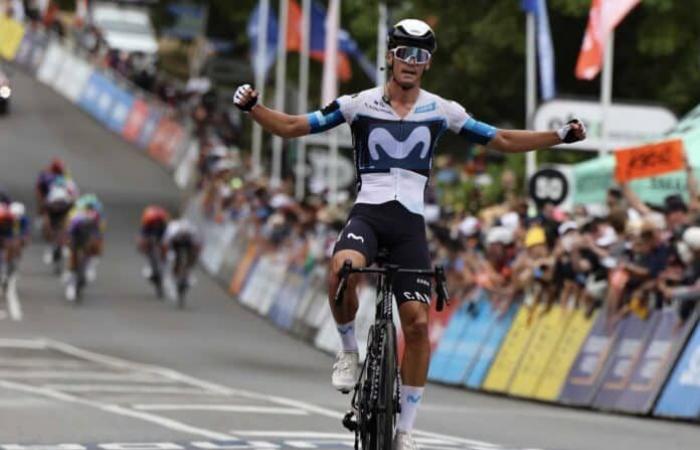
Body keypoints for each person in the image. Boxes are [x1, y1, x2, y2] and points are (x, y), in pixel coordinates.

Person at [233, 18, 586, 447]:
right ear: (390, 57)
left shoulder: (442, 110)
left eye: (420, 56)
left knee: (417, 325)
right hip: (369, 215)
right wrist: (253, 108)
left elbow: (504, 139)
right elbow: (291, 127)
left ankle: (405, 431)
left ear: (427, 64)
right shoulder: (358, 103)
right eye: (403, 52)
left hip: (409, 226)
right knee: (341, 269)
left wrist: (559, 136)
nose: (410, 62)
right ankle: (347, 350)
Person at [64, 208, 100, 301]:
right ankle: (71, 280)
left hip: (86, 240)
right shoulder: (76, 222)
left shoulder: (93, 223)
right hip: (76, 238)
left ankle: (87, 266)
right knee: (74, 256)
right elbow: (70, 235)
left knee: (90, 249)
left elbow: (96, 236)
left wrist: (92, 248)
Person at [138, 205, 171, 288]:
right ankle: (151, 263)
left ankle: (163, 262)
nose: (156, 223)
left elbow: (168, 236)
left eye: (158, 221)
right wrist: (143, 245)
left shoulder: (164, 224)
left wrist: (165, 247)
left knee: (164, 246)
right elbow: (142, 236)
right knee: (145, 244)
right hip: (150, 235)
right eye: (154, 222)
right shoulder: (147, 223)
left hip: (161, 235)